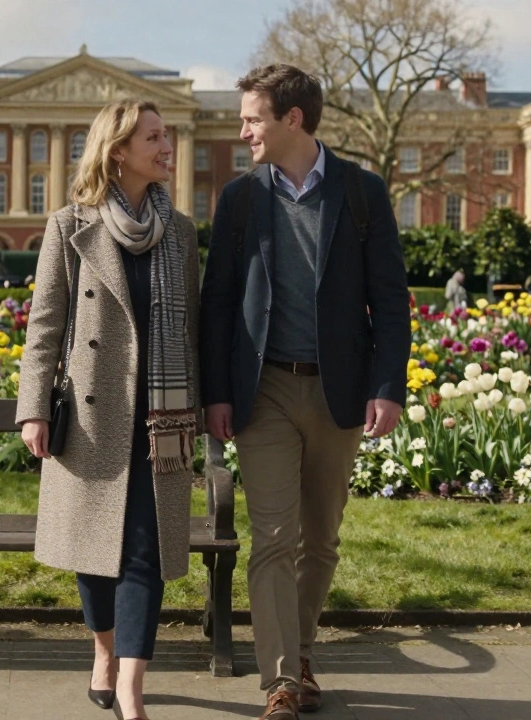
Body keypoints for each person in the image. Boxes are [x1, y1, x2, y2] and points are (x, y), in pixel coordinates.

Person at [199, 65, 411, 719]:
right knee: (272, 539)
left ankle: (303, 651)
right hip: (262, 392)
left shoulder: (362, 193)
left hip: (339, 394)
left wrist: (388, 385)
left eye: (253, 119)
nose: (243, 131)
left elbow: (390, 302)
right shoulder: (239, 199)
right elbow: (218, 306)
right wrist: (217, 394)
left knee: (320, 541)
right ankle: (282, 682)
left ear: (292, 120)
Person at [15, 99, 200, 720]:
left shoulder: (180, 232)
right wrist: (33, 408)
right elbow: (45, 323)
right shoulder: (71, 226)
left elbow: (192, 327)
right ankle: (102, 650)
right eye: (153, 136)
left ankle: (131, 688)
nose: (166, 144)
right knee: (93, 550)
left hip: (162, 416)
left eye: (166, 133)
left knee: (143, 550)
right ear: (118, 150)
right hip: (94, 415)